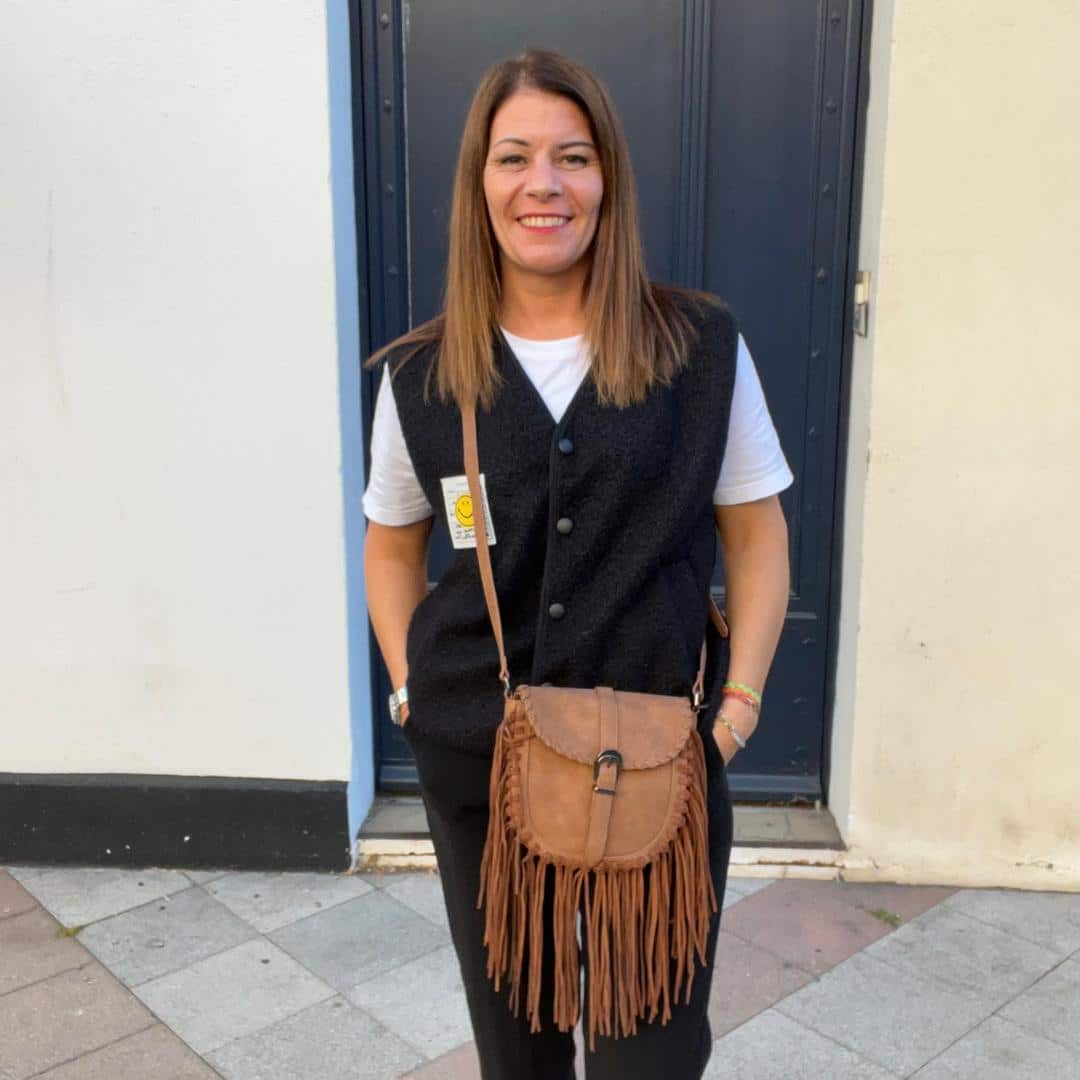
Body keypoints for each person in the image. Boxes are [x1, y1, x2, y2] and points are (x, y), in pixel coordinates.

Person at [363, 49, 791, 1080]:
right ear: (480, 184)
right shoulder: (422, 374)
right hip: (481, 764)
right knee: (518, 1050)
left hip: (659, 763)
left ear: (608, 179)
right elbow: (390, 541)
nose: (542, 185)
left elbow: (757, 536)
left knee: (655, 1050)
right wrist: (412, 691)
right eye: (513, 157)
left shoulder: (698, 348)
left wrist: (736, 708)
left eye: (572, 157)